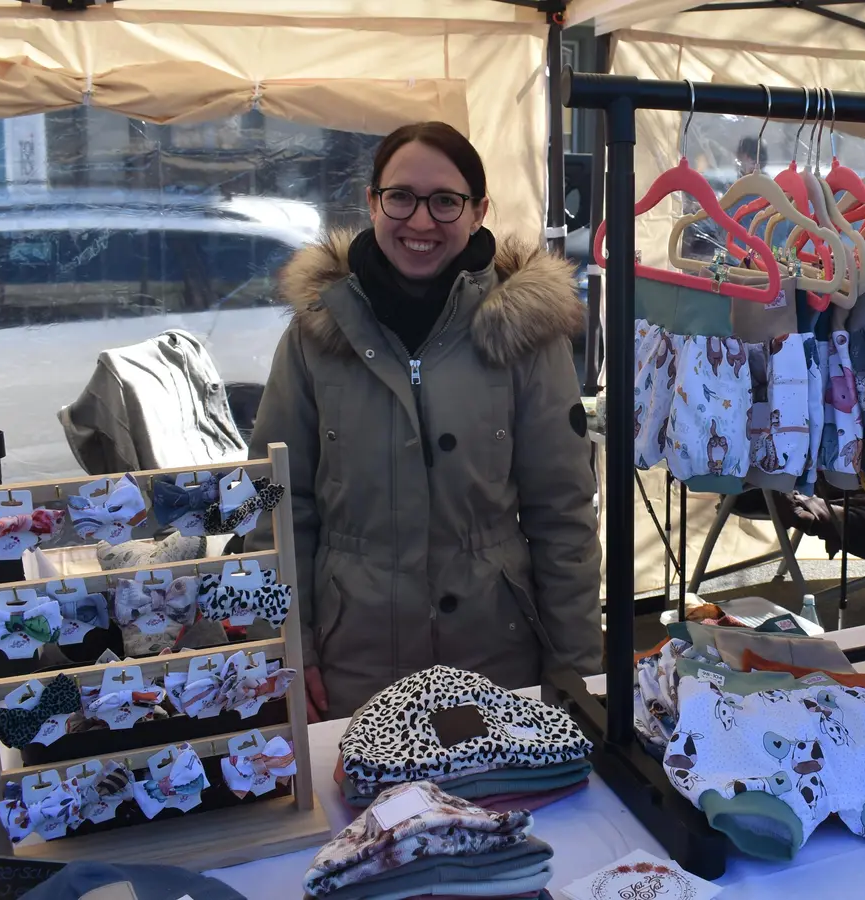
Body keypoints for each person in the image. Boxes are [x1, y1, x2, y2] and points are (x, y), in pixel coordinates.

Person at [249, 121, 602, 720]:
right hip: (350, 666)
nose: (420, 221)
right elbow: (271, 501)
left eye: (445, 201)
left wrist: (578, 674)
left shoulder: (526, 334)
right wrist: (284, 647)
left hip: (494, 665)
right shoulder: (317, 333)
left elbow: (563, 517)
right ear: (372, 202)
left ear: (479, 210)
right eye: (401, 197)